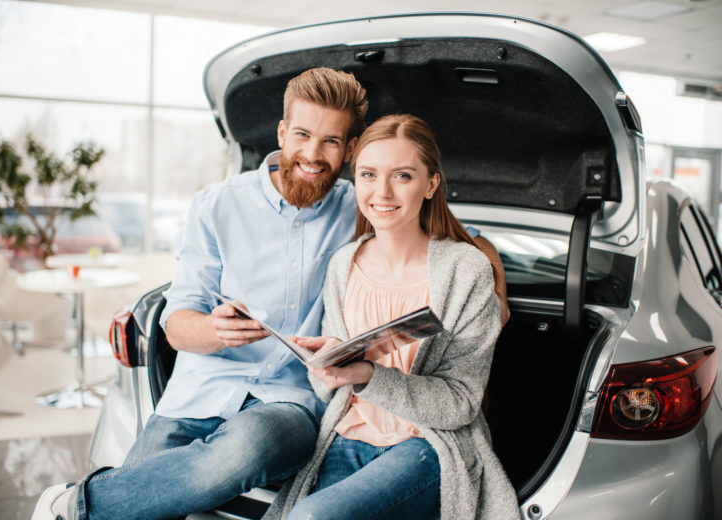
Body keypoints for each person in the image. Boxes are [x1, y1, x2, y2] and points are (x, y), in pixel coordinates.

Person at [33, 67, 508, 519]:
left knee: (244, 450)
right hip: (199, 395)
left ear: (350, 148)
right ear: (282, 133)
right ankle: (78, 506)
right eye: (302, 135)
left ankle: (73, 507)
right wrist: (213, 329)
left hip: (288, 403)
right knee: (137, 504)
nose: (313, 154)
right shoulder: (217, 206)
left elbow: (458, 237)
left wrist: (496, 289)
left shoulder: (361, 206)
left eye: (331, 141)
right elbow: (176, 325)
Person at [263, 114, 520, 520]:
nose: (381, 192)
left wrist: (368, 376)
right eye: (368, 174)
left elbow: (459, 404)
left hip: (427, 443)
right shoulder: (343, 263)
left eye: (402, 176)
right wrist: (328, 362)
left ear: (431, 184)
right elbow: (330, 390)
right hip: (346, 433)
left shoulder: (465, 270)